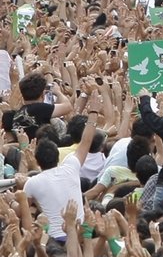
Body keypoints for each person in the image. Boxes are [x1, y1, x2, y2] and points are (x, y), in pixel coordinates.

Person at [19, 93, 101, 240]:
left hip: (54, 242)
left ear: (37, 161)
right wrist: (93, 113)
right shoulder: (71, 165)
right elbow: (86, 141)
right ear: (58, 156)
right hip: (82, 236)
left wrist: (13, 200)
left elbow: (23, 211)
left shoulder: (32, 183)